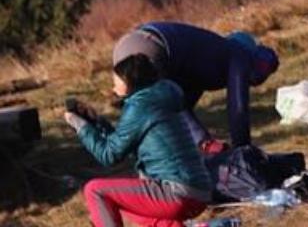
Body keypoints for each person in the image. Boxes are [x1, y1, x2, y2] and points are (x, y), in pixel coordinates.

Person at [66, 53, 215, 227]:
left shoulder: (140, 106)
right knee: (120, 203)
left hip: (177, 191)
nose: (113, 86)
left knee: (95, 191)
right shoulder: (159, 97)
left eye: (116, 81)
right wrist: (96, 123)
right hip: (198, 191)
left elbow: (108, 155)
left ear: (130, 80)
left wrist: (80, 127)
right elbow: (123, 142)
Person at [110, 22, 279, 150]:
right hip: (151, 49)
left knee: (151, 113)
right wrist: (243, 150)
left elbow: (182, 107)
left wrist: (205, 142)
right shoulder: (238, 55)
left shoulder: (205, 60)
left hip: (128, 44)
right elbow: (238, 110)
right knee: (153, 110)